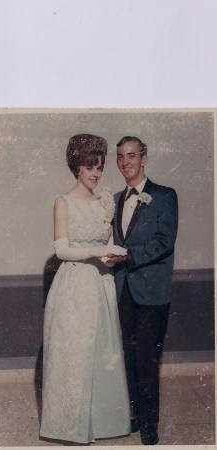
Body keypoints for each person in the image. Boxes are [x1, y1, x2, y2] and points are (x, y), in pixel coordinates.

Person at [40, 134, 130, 445]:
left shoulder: (105, 201)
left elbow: (106, 244)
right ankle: (69, 427)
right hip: (74, 284)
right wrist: (93, 253)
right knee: (74, 353)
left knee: (100, 352)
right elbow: (62, 250)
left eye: (100, 167)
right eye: (90, 167)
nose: (95, 173)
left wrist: (111, 254)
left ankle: (102, 425)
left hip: (100, 283)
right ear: (77, 167)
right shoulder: (63, 202)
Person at [107, 136, 178, 445]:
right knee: (129, 358)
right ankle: (135, 417)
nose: (126, 161)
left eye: (132, 155)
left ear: (144, 158)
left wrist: (128, 257)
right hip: (123, 291)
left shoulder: (164, 195)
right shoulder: (114, 200)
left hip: (152, 294)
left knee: (148, 361)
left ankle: (150, 426)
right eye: (121, 156)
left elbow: (165, 241)